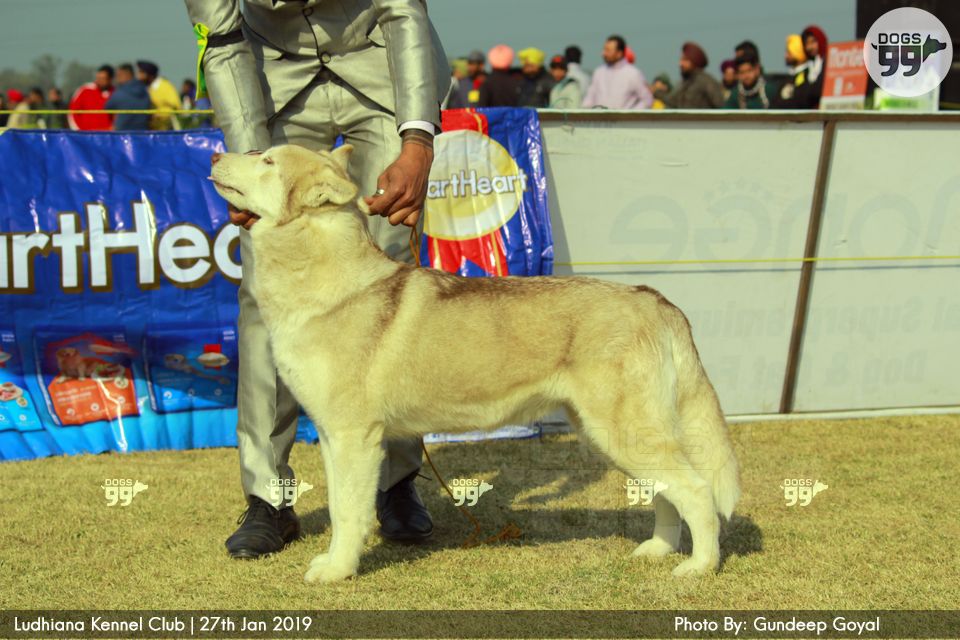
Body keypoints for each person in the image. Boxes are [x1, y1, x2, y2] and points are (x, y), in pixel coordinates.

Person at [184, 0, 448, 559]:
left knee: (388, 279)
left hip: (383, 76)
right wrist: (250, 163)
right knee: (265, 295)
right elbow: (222, 40)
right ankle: (269, 497)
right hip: (271, 83)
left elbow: (404, 11)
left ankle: (394, 483)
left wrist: (418, 141)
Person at [582, 35, 652, 109]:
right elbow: (589, 98)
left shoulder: (633, 74)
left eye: (608, 50)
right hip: (600, 116)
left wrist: (631, 113)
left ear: (619, 53)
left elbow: (647, 99)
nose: (603, 54)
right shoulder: (599, 72)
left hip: (624, 116)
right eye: (604, 50)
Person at [653, 42, 724, 109]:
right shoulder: (683, 83)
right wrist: (656, 92)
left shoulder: (707, 82)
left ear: (694, 61)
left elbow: (720, 105)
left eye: (685, 60)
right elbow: (673, 101)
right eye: (681, 60)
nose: (680, 64)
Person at [772, 34, 818, 109]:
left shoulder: (809, 76)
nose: (785, 56)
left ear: (798, 53)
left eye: (789, 52)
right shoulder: (787, 78)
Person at [105, 63, 152, 130]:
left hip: (123, 133)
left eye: (119, 75)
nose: (117, 78)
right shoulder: (145, 91)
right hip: (142, 132)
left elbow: (108, 107)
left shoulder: (120, 92)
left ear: (127, 75)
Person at [137, 60, 181, 130]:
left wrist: (158, 115)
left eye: (141, 73)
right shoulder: (146, 88)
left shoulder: (164, 86)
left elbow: (176, 106)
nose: (139, 76)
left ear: (149, 75)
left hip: (165, 130)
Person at [68, 65, 114, 130]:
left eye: (103, 79)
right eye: (98, 78)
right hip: (85, 134)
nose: (99, 81)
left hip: (106, 135)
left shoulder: (115, 93)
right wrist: (78, 131)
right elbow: (72, 112)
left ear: (110, 79)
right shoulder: (85, 90)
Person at [801, 25, 828, 108]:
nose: (810, 47)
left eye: (813, 42)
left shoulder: (829, 64)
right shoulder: (805, 69)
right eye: (807, 43)